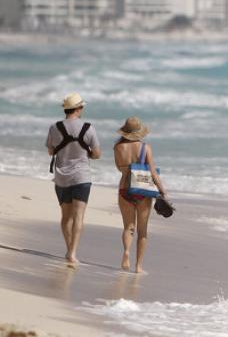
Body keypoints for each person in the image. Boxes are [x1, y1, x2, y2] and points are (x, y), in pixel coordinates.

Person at [46, 93, 101, 266]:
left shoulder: (55, 128)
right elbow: (97, 154)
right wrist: (86, 153)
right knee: (78, 216)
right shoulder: (89, 128)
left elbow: (50, 151)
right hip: (82, 176)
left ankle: (69, 248)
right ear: (78, 108)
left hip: (61, 177)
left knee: (66, 217)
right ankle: (73, 252)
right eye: (82, 106)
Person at [114, 116, 168, 273]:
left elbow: (119, 168)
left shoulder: (118, 148)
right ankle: (138, 266)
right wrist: (162, 190)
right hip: (142, 190)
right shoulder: (145, 148)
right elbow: (152, 173)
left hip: (124, 188)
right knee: (142, 230)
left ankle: (126, 252)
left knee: (128, 227)